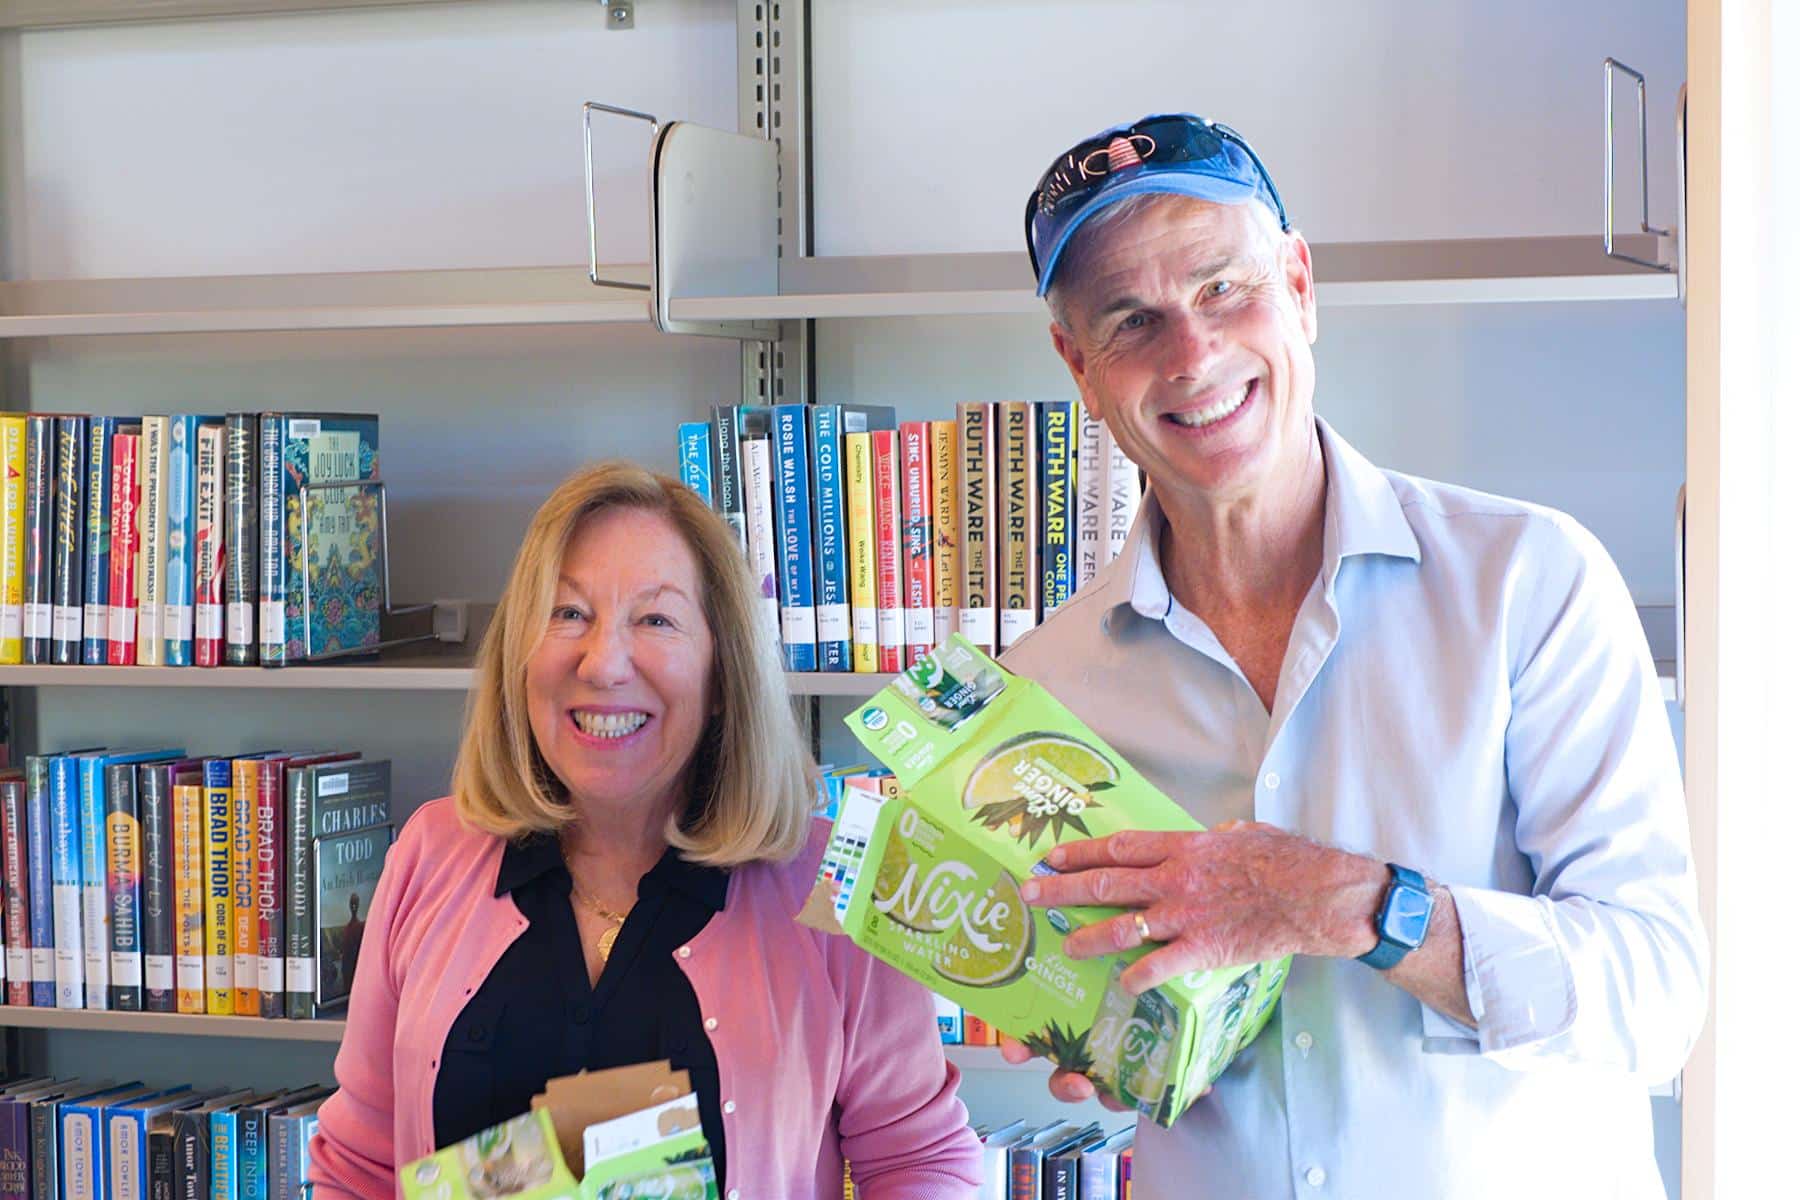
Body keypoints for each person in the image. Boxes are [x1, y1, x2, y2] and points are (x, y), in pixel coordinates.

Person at [998, 113, 1707, 1196]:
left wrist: (1353, 903)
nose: (1193, 355)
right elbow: (1108, 1015)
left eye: (1223, 288)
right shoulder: (1047, 684)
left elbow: (1656, 999)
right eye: (1133, 320)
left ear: (1299, 286)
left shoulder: (1528, 581)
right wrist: (1093, 1024)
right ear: (1079, 368)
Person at [309, 463, 983, 1198]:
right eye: (568, 613)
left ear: (723, 673)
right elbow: (357, 1168)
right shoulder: (430, 852)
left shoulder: (838, 882)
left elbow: (921, 1162)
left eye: (656, 620)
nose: (603, 664)